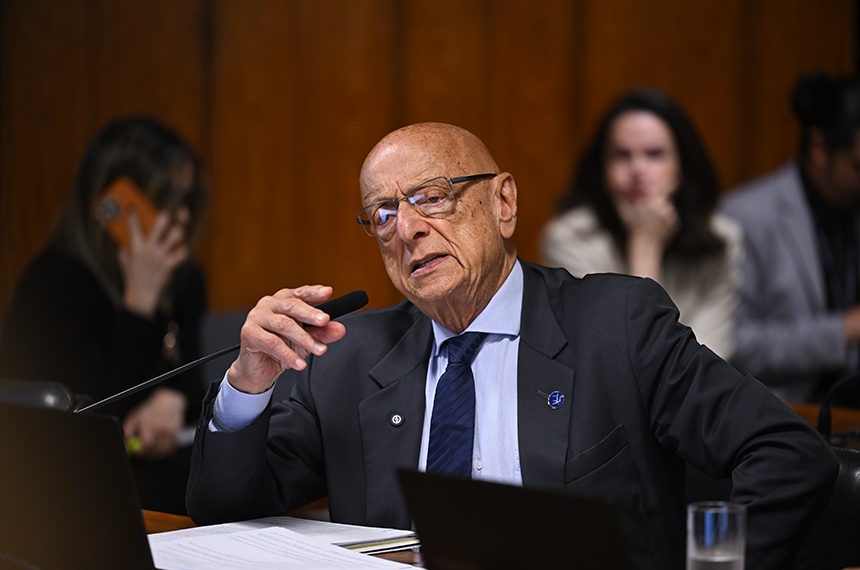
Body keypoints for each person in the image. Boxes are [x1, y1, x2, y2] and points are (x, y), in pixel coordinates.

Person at [186, 122, 836, 570]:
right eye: (383, 214)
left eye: (432, 198)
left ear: (503, 203)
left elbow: (787, 453)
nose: (407, 229)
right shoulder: (350, 360)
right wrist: (249, 382)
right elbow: (226, 512)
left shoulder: (617, 326)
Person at [0, 115, 208, 514]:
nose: (182, 216)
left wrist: (175, 400)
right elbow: (89, 416)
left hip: (154, 465)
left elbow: (193, 385)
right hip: (65, 479)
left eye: (187, 199)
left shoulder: (185, 281)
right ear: (116, 204)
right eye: (166, 197)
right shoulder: (54, 282)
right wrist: (140, 303)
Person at [541, 89, 742, 360]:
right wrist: (645, 244)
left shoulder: (722, 239)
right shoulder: (568, 239)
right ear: (602, 169)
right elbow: (618, 361)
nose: (637, 170)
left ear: (682, 167)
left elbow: (709, 363)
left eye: (654, 154)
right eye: (622, 155)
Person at [721, 73, 860, 405]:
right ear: (819, 148)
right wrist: (843, 331)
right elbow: (734, 345)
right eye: (858, 166)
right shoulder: (745, 216)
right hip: (785, 415)